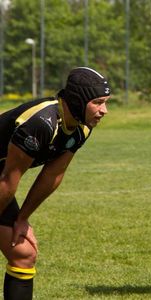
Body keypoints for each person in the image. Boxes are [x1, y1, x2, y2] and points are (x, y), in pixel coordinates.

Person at [0, 67, 110, 300]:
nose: (104, 110)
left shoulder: (81, 128)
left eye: (106, 102)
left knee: (23, 254)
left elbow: (52, 175)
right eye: (98, 102)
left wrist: (22, 219)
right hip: (3, 180)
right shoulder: (41, 122)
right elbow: (9, 179)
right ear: (79, 100)